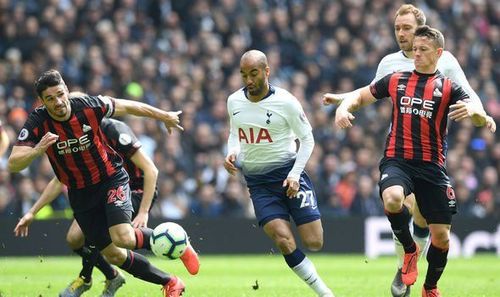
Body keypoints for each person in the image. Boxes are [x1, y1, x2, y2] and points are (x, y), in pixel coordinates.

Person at [322, 4, 496, 297]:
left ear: (422, 32)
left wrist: (481, 115)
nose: (401, 35)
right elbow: (370, 90)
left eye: (407, 28)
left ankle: (417, 274)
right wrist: (343, 101)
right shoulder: (390, 64)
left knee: (423, 220)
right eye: (397, 29)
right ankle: (405, 264)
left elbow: (470, 97)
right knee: (400, 202)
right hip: (399, 148)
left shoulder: (447, 63)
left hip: (431, 151)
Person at [8, 69, 198, 297]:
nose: (58, 102)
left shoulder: (89, 106)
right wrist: (37, 150)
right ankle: (171, 281)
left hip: (110, 179)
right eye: (50, 98)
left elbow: (128, 106)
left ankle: (179, 244)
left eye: (60, 94)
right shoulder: (38, 121)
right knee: (114, 255)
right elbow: (14, 164)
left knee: (123, 237)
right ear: (42, 101)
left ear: (67, 90)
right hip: (80, 194)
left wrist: (163, 115)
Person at [224, 50, 334, 297]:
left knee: (314, 242)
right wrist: (232, 151)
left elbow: (307, 140)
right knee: (283, 240)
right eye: (244, 75)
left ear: (266, 71)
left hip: (289, 174)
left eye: (254, 74)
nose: (248, 80)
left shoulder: (286, 102)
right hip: (259, 183)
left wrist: (295, 174)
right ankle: (325, 293)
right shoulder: (234, 101)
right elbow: (235, 131)